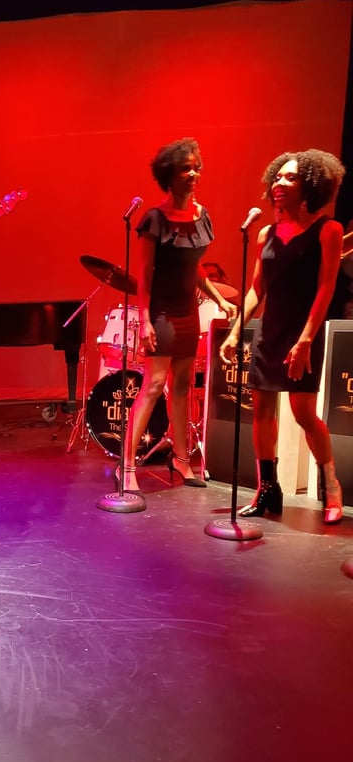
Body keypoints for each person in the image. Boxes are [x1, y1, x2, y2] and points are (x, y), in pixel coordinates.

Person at [220, 148, 346, 523]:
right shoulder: (265, 234)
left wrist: (306, 339)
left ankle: (331, 486)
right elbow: (257, 289)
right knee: (261, 410)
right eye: (278, 176)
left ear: (310, 184)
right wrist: (235, 330)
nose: (279, 183)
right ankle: (267, 491)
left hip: (303, 331)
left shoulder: (329, 229)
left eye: (290, 177)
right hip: (271, 331)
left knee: (304, 413)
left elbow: (326, 289)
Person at [121, 138, 237, 492]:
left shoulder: (202, 216)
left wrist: (219, 298)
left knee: (183, 388)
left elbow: (195, 267)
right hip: (162, 312)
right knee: (154, 385)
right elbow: (145, 276)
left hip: (188, 312)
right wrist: (143, 319)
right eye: (186, 168)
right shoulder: (154, 219)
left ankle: (183, 461)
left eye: (196, 167)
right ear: (168, 175)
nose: (193, 174)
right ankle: (126, 465)